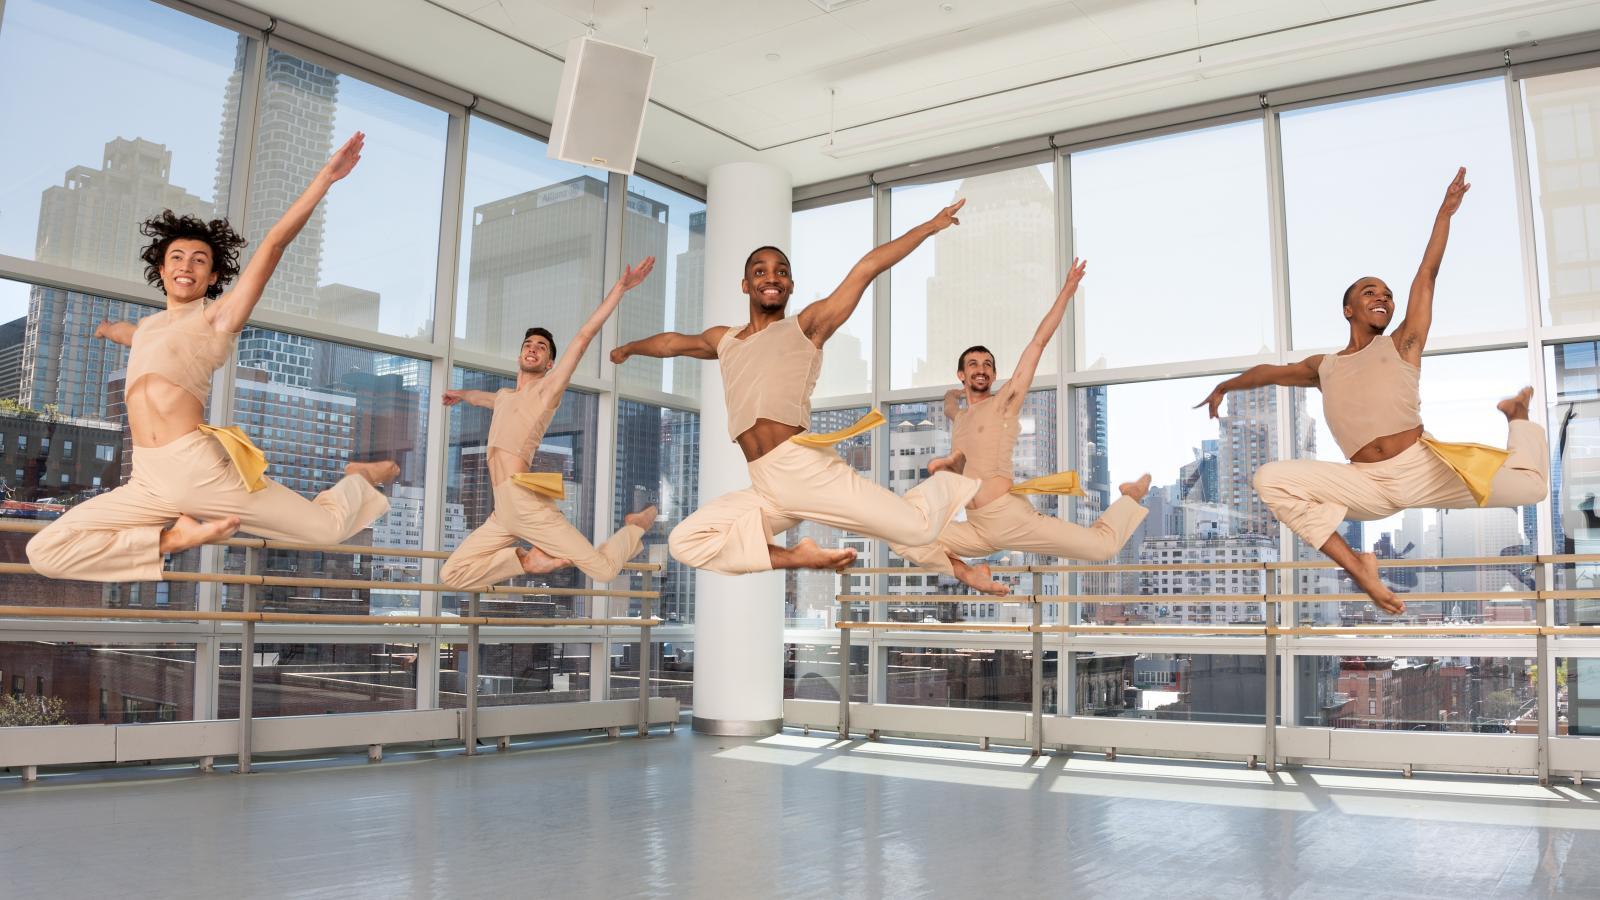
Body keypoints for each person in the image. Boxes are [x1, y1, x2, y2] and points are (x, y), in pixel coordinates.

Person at [27, 133, 399, 582]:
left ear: (213, 275)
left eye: (200, 260)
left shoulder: (216, 319)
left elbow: (274, 246)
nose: (187, 265)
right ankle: (167, 542)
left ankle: (358, 479)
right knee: (44, 551)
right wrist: (108, 330)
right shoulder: (148, 328)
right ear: (162, 270)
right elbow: (135, 336)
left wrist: (326, 178)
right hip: (146, 476)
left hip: (200, 471)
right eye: (177, 257)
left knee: (325, 530)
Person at [1197, 168, 1547, 614]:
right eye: (1369, 291)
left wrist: (1445, 214)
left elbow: (1427, 274)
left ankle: (1517, 415)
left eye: (1387, 293)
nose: (1382, 297)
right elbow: (1269, 371)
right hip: (1364, 483)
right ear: (1349, 309)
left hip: (1423, 469)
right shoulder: (1324, 367)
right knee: (1270, 480)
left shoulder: (1402, 344)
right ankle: (1359, 568)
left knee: (1533, 489)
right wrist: (1225, 385)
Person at [612, 201, 980, 574]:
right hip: (765, 483)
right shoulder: (724, 340)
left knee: (918, 528)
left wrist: (930, 226)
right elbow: (672, 344)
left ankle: (952, 472)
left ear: (791, 285)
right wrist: (629, 348)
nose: (771, 277)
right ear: (745, 284)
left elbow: (867, 268)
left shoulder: (806, 326)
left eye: (781, 272)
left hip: (804, 470)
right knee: (684, 542)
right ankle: (797, 556)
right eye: (760, 271)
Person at [891, 259, 1152, 595]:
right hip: (975, 527)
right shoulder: (959, 417)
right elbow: (950, 406)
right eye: (972, 364)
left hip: (1010, 519)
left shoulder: (1004, 404)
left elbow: (1037, 343)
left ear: (994, 375)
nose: (980, 369)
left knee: (1101, 548)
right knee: (904, 533)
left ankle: (1130, 498)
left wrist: (1068, 290)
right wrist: (949, 399)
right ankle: (969, 575)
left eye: (987, 364)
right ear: (962, 375)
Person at [439, 259, 660, 588]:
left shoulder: (547, 390)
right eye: (528, 345)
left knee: (602, 570)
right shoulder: (504, 396)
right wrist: (462, 393)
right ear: (519, 356)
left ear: (550, 362)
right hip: (503, 511)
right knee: (450, 574)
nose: (533, 349)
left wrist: (620, 289)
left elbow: (583, 338)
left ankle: (637, 525)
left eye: (541, 347)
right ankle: (525, 561)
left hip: (525, 500)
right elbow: (482, 398)